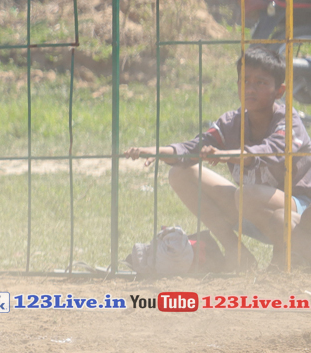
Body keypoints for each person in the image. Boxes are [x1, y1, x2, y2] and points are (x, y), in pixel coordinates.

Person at [124, 46, 311, 271]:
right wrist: (157, 151)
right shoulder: (230, 123)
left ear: (279, 91)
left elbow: (269, 151)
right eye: (245, 81)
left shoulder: (288, 120)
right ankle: (236, 252)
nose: (250, 88)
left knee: (248, 195)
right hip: (248, 205)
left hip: (298, 211)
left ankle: (291, 252)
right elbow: (191, 148)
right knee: (180, 174)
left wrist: (226, 156)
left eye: (260, 83)